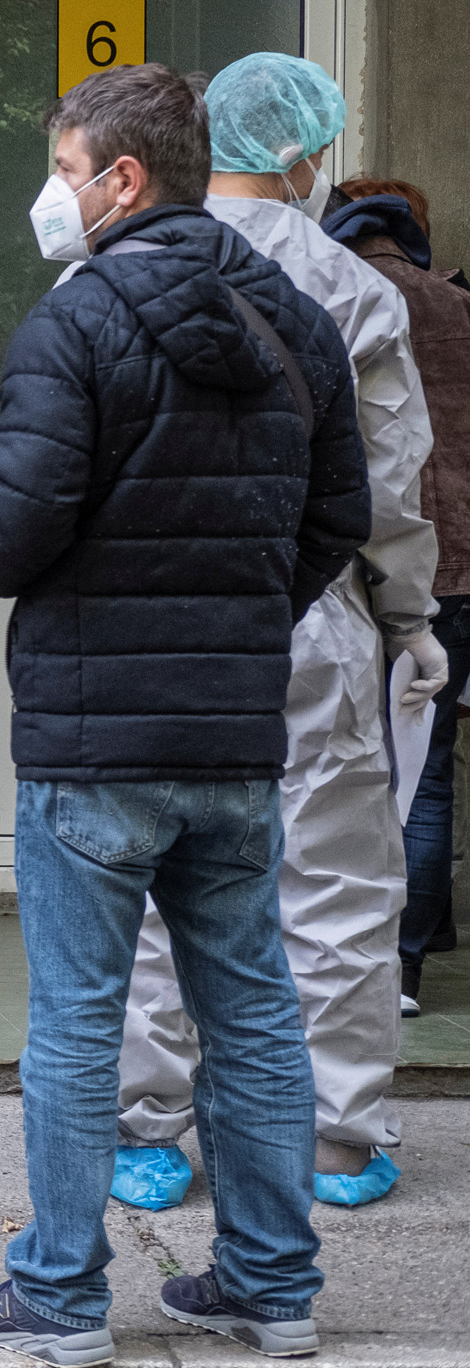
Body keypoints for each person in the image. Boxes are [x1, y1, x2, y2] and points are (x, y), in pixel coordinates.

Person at [0, 63, 369, 1367]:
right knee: (252, 1009)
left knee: (77, 1023)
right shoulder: (297, 321)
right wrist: (239, 616)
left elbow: (2, 544)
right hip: (235, 737)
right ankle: (271, 1285)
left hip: (92, 746)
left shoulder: (71, 326)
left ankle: (63, 1301)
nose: (53, 196)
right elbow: (336, 525)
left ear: (122, 179)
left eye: (65, 170)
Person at [113, 54, 441, 1216]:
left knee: (148, 878)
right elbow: (390, 482)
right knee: (336, 886)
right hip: (311, 619)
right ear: (301, 152)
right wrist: (410, 613)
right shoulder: (353, 288)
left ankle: (144, 1130)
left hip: (153, 628)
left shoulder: (123, 268)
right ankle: (337, 1137)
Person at [328, 177, 470, 1017]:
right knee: (432, 765)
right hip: (464, 565)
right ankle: (413, 959)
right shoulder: (458, 305)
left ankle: (378, 962)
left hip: (380, 567)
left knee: (370, 769)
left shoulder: (341, 298)